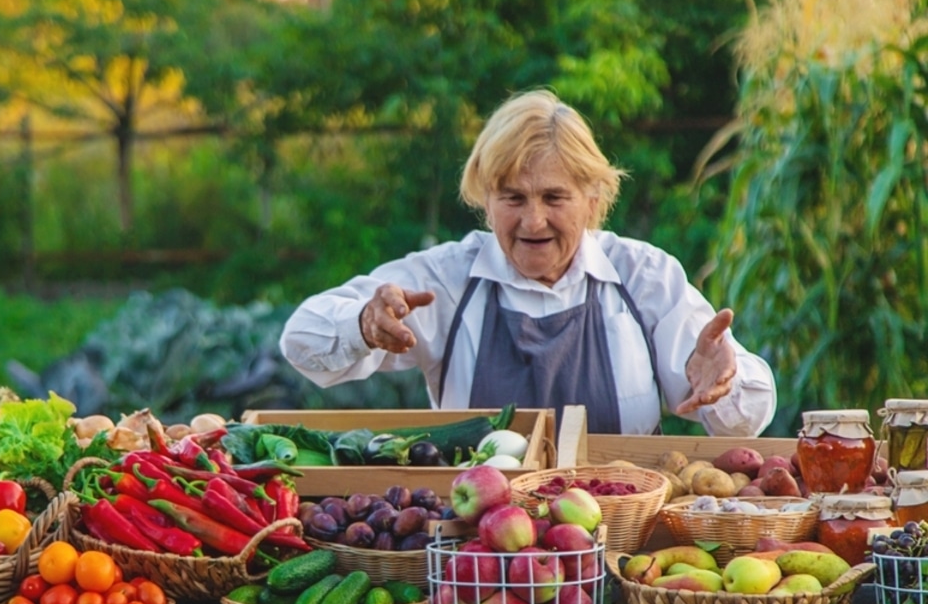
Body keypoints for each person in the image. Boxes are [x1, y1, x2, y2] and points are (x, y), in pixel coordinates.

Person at [279, 90, 776, 436]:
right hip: (480, 560)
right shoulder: (446, 281)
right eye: (512, 198)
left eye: (554, 197)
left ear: (593, 197)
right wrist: (364, 324)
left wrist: (722, 382)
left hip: (623, 550)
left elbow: (746, 420)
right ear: (486, 200)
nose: (533, 221)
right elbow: (299, 340)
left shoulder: (643, 278)